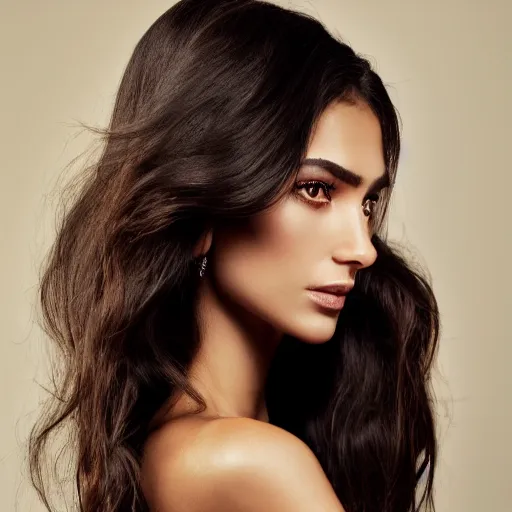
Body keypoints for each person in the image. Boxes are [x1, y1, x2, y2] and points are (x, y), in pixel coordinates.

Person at [28, 1, 440, 511]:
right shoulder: (250, 462)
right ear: (205, 208)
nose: (362, 249)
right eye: (316, 189)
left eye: (369, 203)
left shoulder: (173, 447)